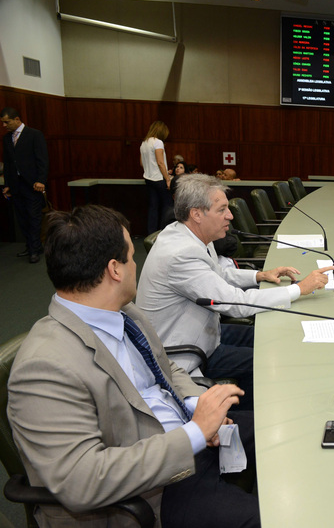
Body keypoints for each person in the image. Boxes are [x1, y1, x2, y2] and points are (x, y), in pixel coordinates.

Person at [7, 204, 259, 527]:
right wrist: (195, 433)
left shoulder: (125, 313)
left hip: (186, 439)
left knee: (286, 430)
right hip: (152, 494)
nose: (136, 264)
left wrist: (197, 405)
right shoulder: (44, 367)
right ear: (115, 269)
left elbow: (167, 369)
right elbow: (83, 480)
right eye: (131, 256)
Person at [136, 174, 333, 410]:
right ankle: (253, 416)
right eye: (222, 210)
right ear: (197, 214)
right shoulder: (181, 254)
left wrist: (259, 275)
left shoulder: (188, 234)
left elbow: (217, 274)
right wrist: (299, 289)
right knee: (267, 358)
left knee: (273, 336)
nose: (230, 215)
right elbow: (235, 304)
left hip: (207, 333)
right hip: (185, 354)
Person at [1, 107, 48, 263]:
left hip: (32, 184)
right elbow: (8, 163)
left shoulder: (34, 135)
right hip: (16, 185)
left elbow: (42, 159)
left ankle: (34, 250)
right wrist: (7, 184)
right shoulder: (6, 139)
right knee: (22, 218)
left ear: (17, 119)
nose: (4, 125)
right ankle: (32, 246)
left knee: (34, 217)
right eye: (2, 123)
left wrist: (41, 180)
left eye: (7, 122)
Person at [140, 120, 173, 235]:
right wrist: (167, 178)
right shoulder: (158, 142)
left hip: (148, 179)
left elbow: (142, 163)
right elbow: (160, 162)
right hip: (159, 179)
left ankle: (152, 233)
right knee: (167, 206)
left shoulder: (144, 143)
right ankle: (165, 232)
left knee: (153, 207)